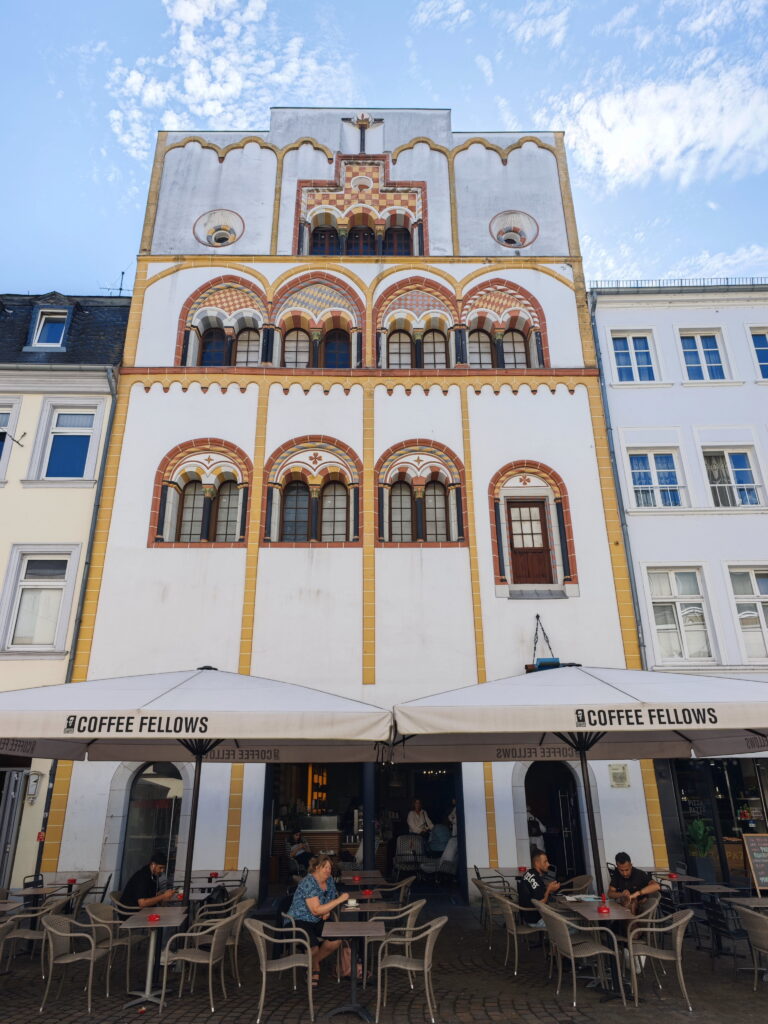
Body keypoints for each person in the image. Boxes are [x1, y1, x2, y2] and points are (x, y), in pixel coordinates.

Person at [287, 855, 349, 987]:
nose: (328, 870)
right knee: (313, 946)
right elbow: (315, 910)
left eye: (330, 868)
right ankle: (315, 969)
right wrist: (339, 900)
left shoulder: (330, 881)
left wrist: (327, 911)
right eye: (324, 867)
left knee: (336, 940)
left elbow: (329, 901)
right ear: (316, 868)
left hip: (318, 920)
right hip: (299, 920)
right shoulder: (308, 882)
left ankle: (311, 963)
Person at [518, 848, 561, 926]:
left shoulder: (530, 873)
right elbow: (540, 903)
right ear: (537, 863)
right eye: (545, 862)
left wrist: (549, 889)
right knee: (571, 926)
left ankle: (552, 937)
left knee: (561, 919)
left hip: (527, 916)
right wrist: (549, 889)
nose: (548, 864)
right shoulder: (536, 879)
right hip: (536, 920)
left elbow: (537, 892)